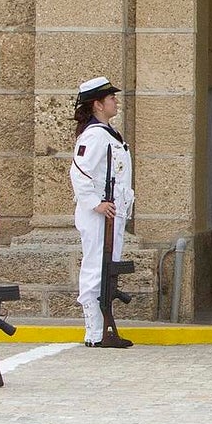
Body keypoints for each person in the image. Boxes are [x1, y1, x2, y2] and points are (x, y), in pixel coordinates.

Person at [70, 77, 135, 348]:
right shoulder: (95, 135)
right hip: (100, 214)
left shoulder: (107, 133)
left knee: (107, 266)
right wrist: (94, 202)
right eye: (111, 98)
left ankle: (104, 327)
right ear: (97, 104)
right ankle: (95, 331)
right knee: (96, 267)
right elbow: (79, 171)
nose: (115, 101)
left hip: (112, 213)